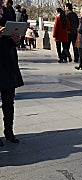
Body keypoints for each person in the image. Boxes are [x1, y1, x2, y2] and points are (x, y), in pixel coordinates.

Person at [0, 0, 23, 145]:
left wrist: (17, 38)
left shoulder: (8, 12)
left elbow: (15, 33)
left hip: (8, 61)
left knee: (9, 100)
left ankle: (9, 131)